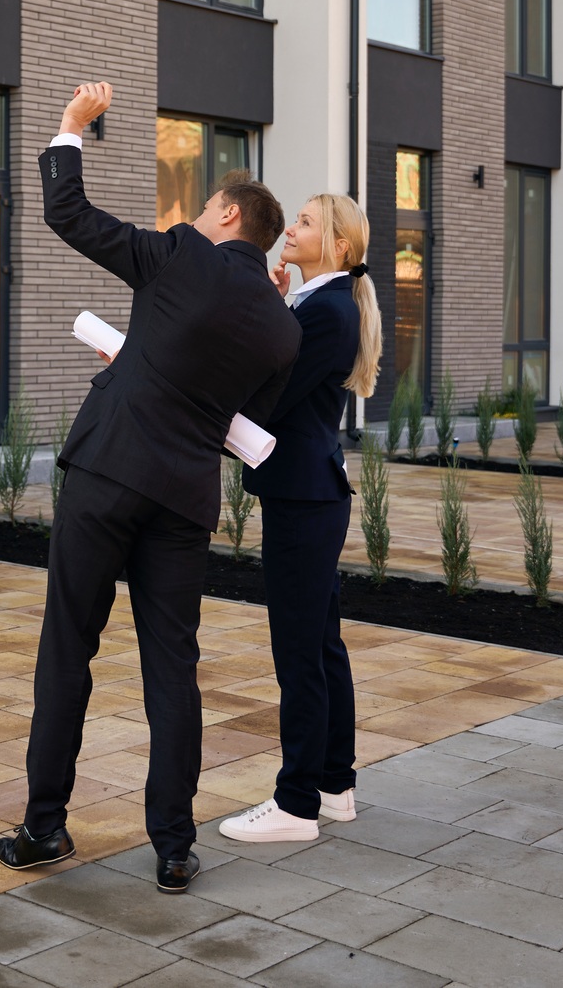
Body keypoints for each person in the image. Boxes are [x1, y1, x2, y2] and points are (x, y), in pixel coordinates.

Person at [0, 82, 300, 894]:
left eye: (207, 207)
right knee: (173, 666)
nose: (199, 216)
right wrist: (144, 364)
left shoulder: (180, 253)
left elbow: (71, 214)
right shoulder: (282, 328)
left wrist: (70, 128)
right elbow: (248, 433)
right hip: (182, 498)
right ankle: (172, 845)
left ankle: (45, 827)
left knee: (70, 647)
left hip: (107, 472)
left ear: (231, 215)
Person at [220, 192, 381, 844]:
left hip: (303, 497)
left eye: (308, 222)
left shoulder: (330, 311)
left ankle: (294, 803)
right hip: (311, 492)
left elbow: (271, 394)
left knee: (300, 652)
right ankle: (334, 786)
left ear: (339, 247)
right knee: (319, 644)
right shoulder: (322, 303)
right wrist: (278, 300)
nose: (294, 227)